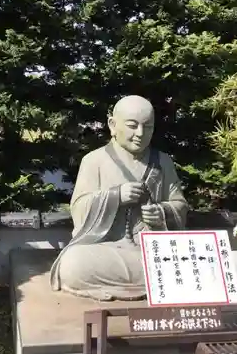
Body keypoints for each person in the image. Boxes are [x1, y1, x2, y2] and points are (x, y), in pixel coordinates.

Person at [49, 95, 189, 301]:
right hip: (107, 248)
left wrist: (161, 212)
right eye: (132, 126)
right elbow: (78, 210)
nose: (140, 133)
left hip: (151, 250)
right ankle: (155, 281)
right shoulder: (94, 161)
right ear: (112, 125)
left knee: (188, 262)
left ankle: (154, 277)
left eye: (148, 127)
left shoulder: (163, 162)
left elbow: (180, 205)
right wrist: (115, 196)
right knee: (72, 264)